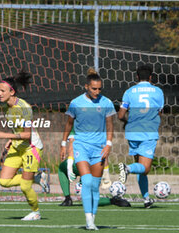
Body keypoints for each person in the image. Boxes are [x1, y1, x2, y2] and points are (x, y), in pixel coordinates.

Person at [60, 68, 116, 230]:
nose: (97, 92)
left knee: (95, 186)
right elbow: (69, 124)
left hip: (99, 148)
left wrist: (108, 145)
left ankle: (93, 217)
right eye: (94, 88)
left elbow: (110, 125)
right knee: (87, 181)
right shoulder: (76, 103)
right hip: (81, 146)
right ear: (86, 86)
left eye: (99, 89)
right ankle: (88, 221)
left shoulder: (106, 103)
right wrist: (64, 144)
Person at [0, 71, 47, 221]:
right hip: (17, 146)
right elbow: (16, 128)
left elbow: (27, 134)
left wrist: (5, 136)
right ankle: (37, 178)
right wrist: (10, 140)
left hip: (31, 148)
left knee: (24, 186)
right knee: (4, 181)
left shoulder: (24, 107)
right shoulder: (6, 107)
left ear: (12, 92)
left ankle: (36, 212)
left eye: (3, 91)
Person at [118, 64, 164, 209]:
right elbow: (159, 113)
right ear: (151, 77)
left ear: (137, 77)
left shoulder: (129, 92)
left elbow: (120, 115)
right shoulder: (158, 92)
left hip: (132, 132)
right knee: (145, 168)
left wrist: (128, 121)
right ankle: (127, 168)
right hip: (148, 132)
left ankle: (146, 199)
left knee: (141, 167)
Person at [59, 130, 112, 206]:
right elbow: (103, 151)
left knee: (61, 168)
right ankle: (114, 200)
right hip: (97, 165)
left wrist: (69, 167)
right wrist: (106, 172)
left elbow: (71, 146)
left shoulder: (77, 123)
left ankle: (67, 198)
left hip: (81, 164)